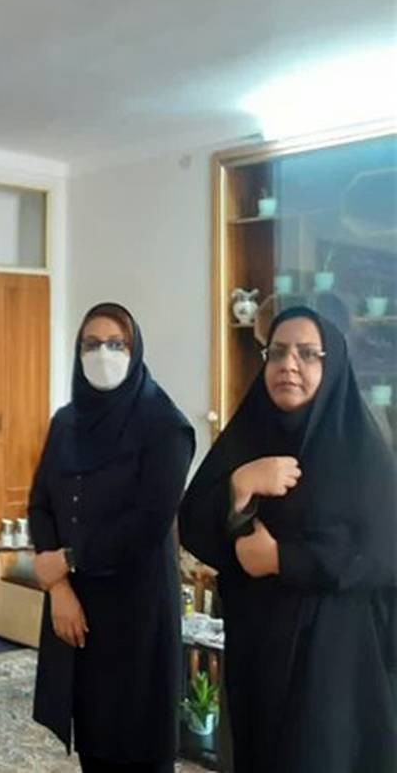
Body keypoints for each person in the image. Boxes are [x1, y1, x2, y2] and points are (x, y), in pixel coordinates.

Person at [178, 307, 397, 773]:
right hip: (258, 646)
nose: (288, 365)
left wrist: (283, 559)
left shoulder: (362, 450)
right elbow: (193, 521)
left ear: (332, 364)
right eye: (277, 353)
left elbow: (382, 553)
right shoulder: (247, 436)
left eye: (307, 354)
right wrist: (238, 485)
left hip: (334, 657)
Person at [29, 304, 195, 773]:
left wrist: (67, 559)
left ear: (135, 350)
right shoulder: (67, 422)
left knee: (139, 744)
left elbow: (148, 523)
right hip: (77, 608)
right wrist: (60, 587)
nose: (103, 353)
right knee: (95, 741)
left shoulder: (166, 427)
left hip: (137, 612)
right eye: (91, 344)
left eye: (116, 343)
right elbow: (41, 503)